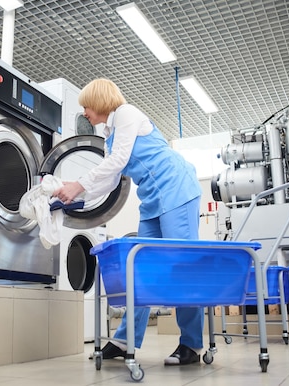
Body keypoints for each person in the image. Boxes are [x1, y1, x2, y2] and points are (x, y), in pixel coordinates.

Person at [52, 78, 204, 366]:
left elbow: (119, 160)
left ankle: (192, 344)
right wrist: (74, 195)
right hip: (152, 201)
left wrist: (79, 184)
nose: (84, 111)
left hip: (177, 190)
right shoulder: (110, 134)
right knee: (139, 267)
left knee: (182, 265)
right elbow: (110, 180)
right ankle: (124, 341)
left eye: (86, 105)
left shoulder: (127, 114)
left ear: (99, 102)